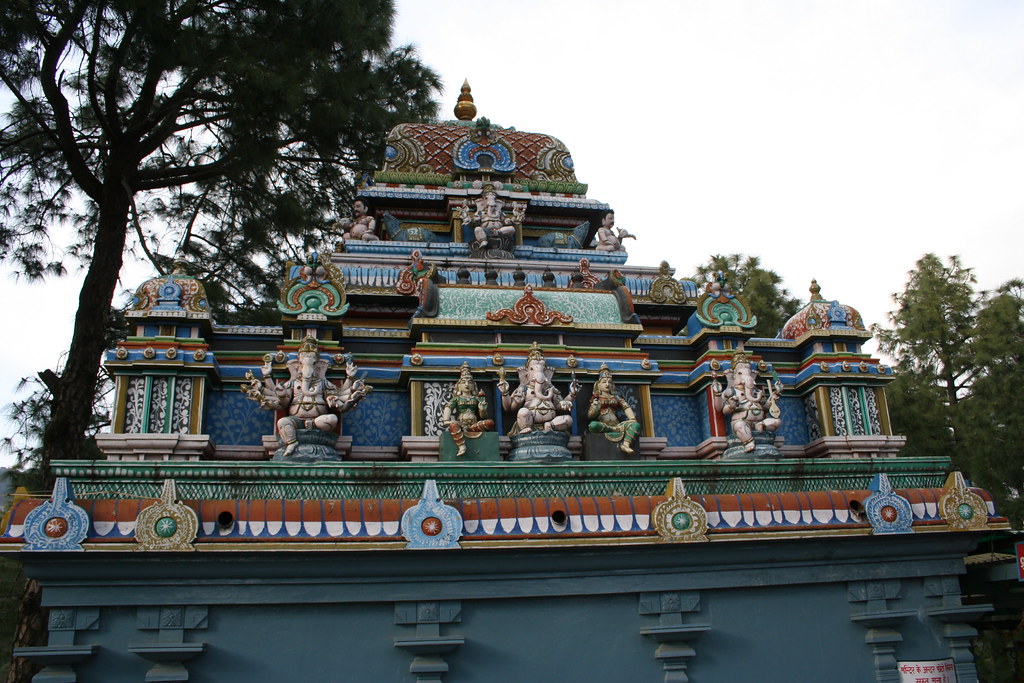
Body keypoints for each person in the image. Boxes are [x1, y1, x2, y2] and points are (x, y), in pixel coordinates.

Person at [242, 336, 371, 457]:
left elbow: (340, 394)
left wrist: (349, 382)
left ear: (317, 365)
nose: (308, 367)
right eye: (303, 364)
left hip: (318, 421)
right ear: (299, 365)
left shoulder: (322, 383)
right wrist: (273, 385)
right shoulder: (293, 383)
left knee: (332, 419)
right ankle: (292, 443)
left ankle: (310, 427)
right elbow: (280, 401)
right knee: (282, 422)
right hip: (296, 420)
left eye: (312, 364)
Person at [498, 343, 580, 434]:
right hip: (529, 421)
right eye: (532, 369)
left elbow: (559, 406)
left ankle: (550, 425)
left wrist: (571, 395)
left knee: (568, 419)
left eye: (542, 369)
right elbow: (510, 408)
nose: (539, 373)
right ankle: (526, 427)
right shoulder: (525, 389)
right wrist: (505, 393)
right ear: (527, 374)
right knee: (522, 412)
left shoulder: (550, 389)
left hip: (551, 423)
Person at [712, 351, 781, 453]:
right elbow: (721, 409)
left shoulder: (757, 392)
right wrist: (729, 405)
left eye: (748, 373)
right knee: (740, 426)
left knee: (777, 422)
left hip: (759, 421)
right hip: (742, 421)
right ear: (734, 375)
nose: (745, 376)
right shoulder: (731, 392)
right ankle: (748, 441)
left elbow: (765, 408)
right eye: (740, 373)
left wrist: (774, 397)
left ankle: (761, 426)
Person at [442, 362, 494, 456]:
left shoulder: (477, 398)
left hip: (473, 426)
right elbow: (448, 407)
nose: (466, 384)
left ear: (474, 385)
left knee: (489, 423)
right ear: (459, 385)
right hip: (461, 425)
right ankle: (462, 446)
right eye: (463, 382)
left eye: (469, 382)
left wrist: (482, 409)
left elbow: (483, 416)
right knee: (454, 426)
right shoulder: (457, 398)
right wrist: (446, 420)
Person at [587, 365, 640, 454]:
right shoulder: (596, 398)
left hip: (618, 425)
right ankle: (611, 429)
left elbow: (626, 407)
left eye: (609, 382)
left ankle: (626, 444)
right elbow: (590, 416)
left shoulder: (616, 398)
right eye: (604, 382)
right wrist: (596, 406)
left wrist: (632, 419)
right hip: (604, 425)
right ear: (598, 385)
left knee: (636, 425)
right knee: (593, 426)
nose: (607, 384)